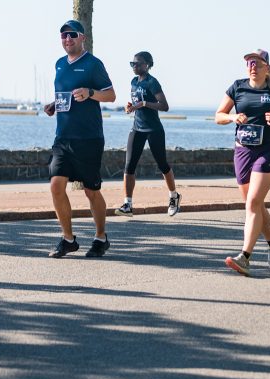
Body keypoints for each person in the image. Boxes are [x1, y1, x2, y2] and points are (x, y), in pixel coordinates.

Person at [219, 49, 270, 276]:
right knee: (254, 204)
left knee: (253, 202)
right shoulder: (237, 87)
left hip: (268, 150)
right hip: (243, 151)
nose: (252, 66)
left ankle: (245, 256)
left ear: (267, 67)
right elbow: (218, 115)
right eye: (249, 62)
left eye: (257, 62)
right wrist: (233, 117)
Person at [43, 20, 116, 258]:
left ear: (82, 37)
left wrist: (91, 93)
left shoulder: (93, 65)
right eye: (63, 35)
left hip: (89, 138)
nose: (67, 39)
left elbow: (111, 95)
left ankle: (100, 237)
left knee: (91, 191)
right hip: (63, 137)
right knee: (56, 185)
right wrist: (55, 105)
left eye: (72, 35)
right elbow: (66, 95)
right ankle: (68, 239)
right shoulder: (59, 65)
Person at [115, 51, 180, 217]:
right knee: (129, 166)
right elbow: (136, 102)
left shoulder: (152, 82)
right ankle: (128, 204)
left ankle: (174, 196)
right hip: (137, 127)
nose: (134, 66)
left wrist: (144, 103)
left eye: (137, 64)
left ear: (147, 65)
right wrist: (129, 106)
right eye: (132, 64)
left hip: (153, 129)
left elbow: (164, 106)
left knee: (162, 164)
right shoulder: (134, 82)